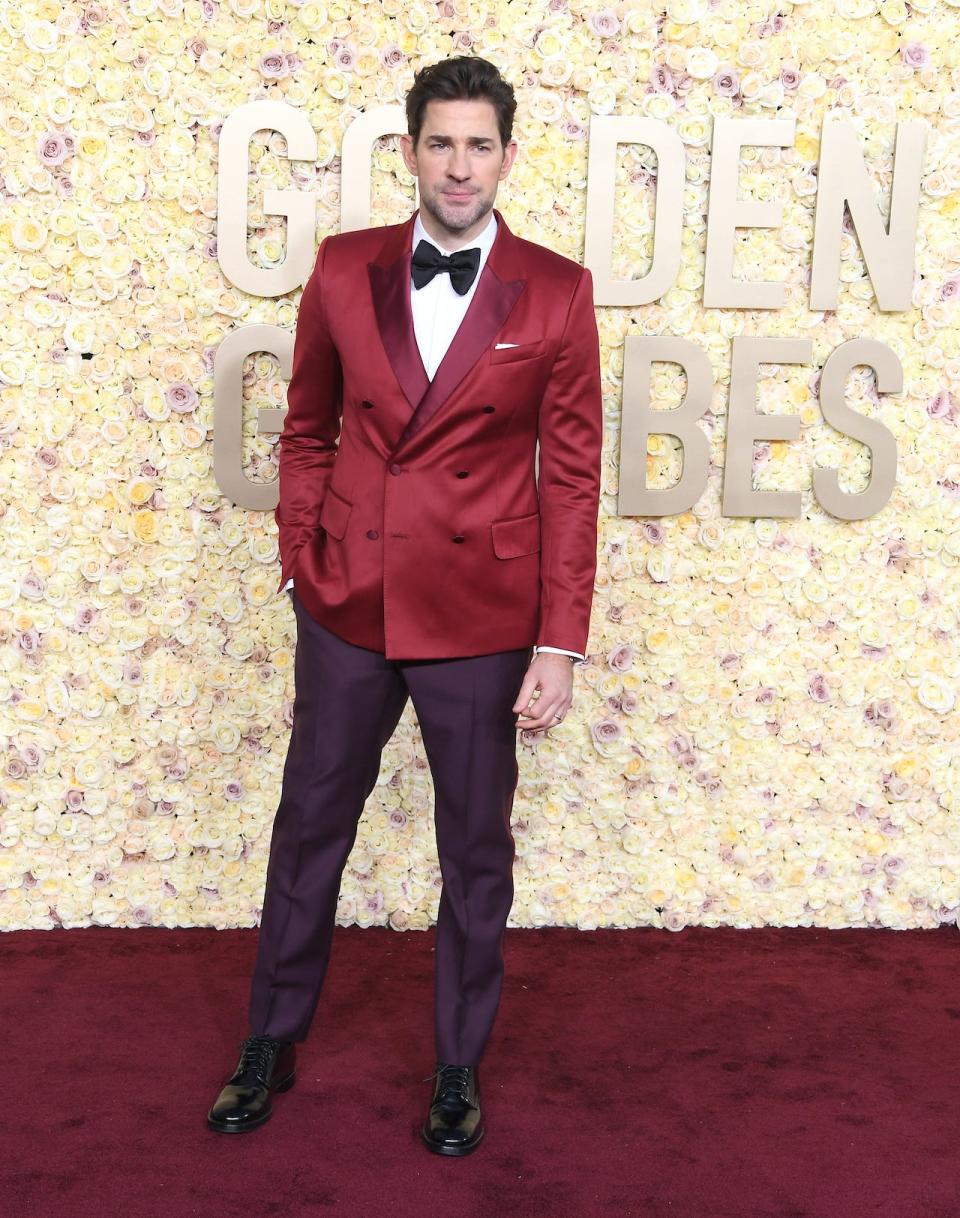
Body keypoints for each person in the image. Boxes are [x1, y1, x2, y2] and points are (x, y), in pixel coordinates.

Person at [206, 55, 603, 1156]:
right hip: (348, 601)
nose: (460, 165)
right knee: (309, 827)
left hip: (481, 618)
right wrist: (300, 559)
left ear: (508, 156)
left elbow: (570, 479)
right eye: (441, 143)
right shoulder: (341, 269)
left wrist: (560, 639)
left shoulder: (559, 291)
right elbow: (305, 432)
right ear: (411, 153)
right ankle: (270, 1040)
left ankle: (458, 1065)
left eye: (480, 145)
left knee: (474, 850)